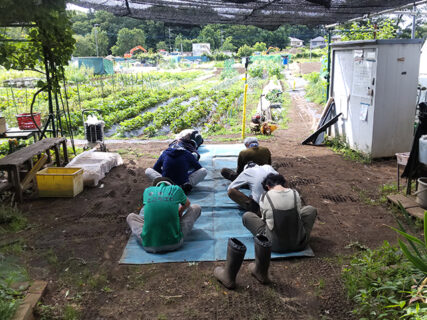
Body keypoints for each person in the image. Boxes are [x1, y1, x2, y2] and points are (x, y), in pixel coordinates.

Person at [242, 173, 317, 253]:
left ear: (267, 186)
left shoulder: (265, 196)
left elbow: (264, 220)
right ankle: (300, 237)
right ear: (284, 184)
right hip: (299, 244)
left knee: (247, 216)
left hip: (273, 245)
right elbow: (298, 216)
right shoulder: (295, 193)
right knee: (310, 209)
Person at [126, 177, 201, 253]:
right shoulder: (176, 189)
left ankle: (149, 235)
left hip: (149, 245)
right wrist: (180, 212)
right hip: (175, 243)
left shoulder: (147, 191)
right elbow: (187, 204)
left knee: (131, 217)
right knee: (196, 208)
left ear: (155, 187)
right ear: (171, 185)